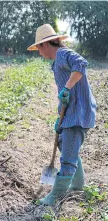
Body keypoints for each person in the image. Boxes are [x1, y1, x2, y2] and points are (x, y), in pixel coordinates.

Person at [27, 24, 97, 206]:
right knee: (64, 144)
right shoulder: (57, 62)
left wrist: (67, 87)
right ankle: (77, 186)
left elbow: (81, 64)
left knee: (67, 159)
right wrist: (61, 118)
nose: (39, 53)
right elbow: (65, 97)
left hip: (79, 114)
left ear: (46, 45)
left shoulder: (63, 54)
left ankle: (55, 198)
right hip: (71, 114)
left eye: (38, 49)